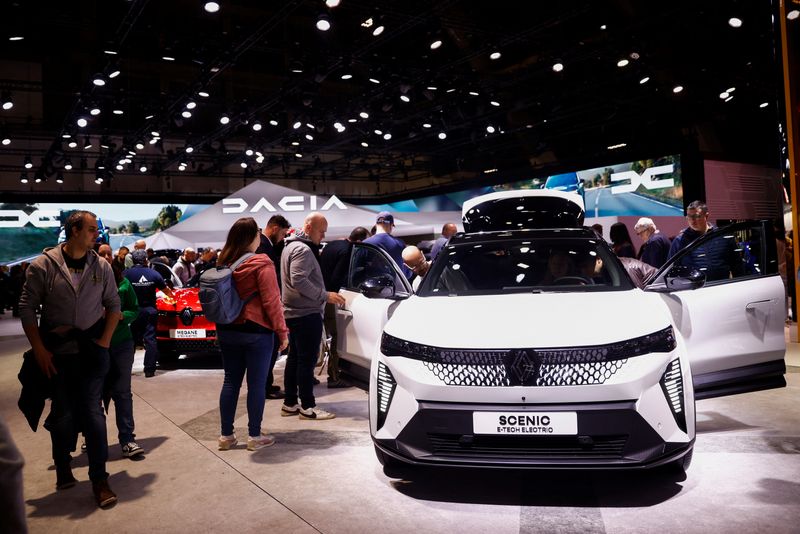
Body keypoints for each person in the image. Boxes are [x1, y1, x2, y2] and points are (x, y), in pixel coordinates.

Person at [19, 210, 121, 508]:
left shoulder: (100, 265)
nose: (95, 234)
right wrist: (38, 347)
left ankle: (100, 479)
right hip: (57, 354)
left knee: (93, 413)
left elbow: (113, 305)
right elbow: (26, 308)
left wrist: (103, 341)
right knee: (62, 414)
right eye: (90, 229)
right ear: (74, 230)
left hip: (91, 353)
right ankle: (62, 464)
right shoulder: (43, 265)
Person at [215, 217, 289, 452]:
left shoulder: (223, 261)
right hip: (257, 332)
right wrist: (282, 332)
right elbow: (271, 301)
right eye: (257, 234)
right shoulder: (261, 262)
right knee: (256, 385)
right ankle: (254, 436)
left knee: (230, 382)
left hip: (227, 330)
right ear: (251, 237)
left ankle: (226, 436)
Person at [280, 213, 346, 420]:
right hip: (305, 312)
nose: (323, 236)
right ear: (308, 228)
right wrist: (325, 295)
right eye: (321, 231)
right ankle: (307, 407)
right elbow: (299, 279)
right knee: (306, 361)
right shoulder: (302, 249)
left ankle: (290, 403)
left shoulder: (289, 246)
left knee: (295, 358)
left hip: (294, 312)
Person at [97, 244, 144, 458]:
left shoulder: (123, 281)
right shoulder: (88, 282)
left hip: (122, 344)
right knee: (95, 395)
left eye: (109, 253)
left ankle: (127, 439)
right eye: (102, 253)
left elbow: (135, 309)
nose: (107, 256)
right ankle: (93, 438)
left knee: (122, 393)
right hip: (95, 345)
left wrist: (123, 315)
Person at [319, 226, 369, 388]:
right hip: (331, 299)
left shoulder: (334, 244)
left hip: (320, 297)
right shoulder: (348, 251)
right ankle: (334, 377)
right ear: (360, 241)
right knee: (336, 337)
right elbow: (337, 278)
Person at [255, 214, 292, 399]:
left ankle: (267, 384)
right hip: (266, 307)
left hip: (265, 306)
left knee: (270, 351)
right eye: (284, 233)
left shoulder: (265, 244)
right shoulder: (263, 246)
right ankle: (265, 387)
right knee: (269, 351)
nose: (284, 238)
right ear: (276, 228)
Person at [125, 249, 175, 377]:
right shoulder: (154, 274)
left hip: (132, 312)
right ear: (146, 259)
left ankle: (125, 369)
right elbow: (167, 291)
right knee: (150, 340)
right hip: (149, 311)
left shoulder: (125, 274)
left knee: (131, 341)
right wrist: (172, 299)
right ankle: (149, 370)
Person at [667, 200, 742, 281]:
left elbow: (737, 265)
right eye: (689, 216)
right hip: (695, 290)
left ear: (706, 216)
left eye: (696, 216)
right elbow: (671, 270)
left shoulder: (722, 236)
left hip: (722, 286)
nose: (692, 220)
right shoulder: (679, 241)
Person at [364, 211, 408, 277]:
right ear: (391, 225)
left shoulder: (365, 243)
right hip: (395, 285)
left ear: (376, 225)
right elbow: (406, 273)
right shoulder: (400, 243)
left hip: (370, 285)